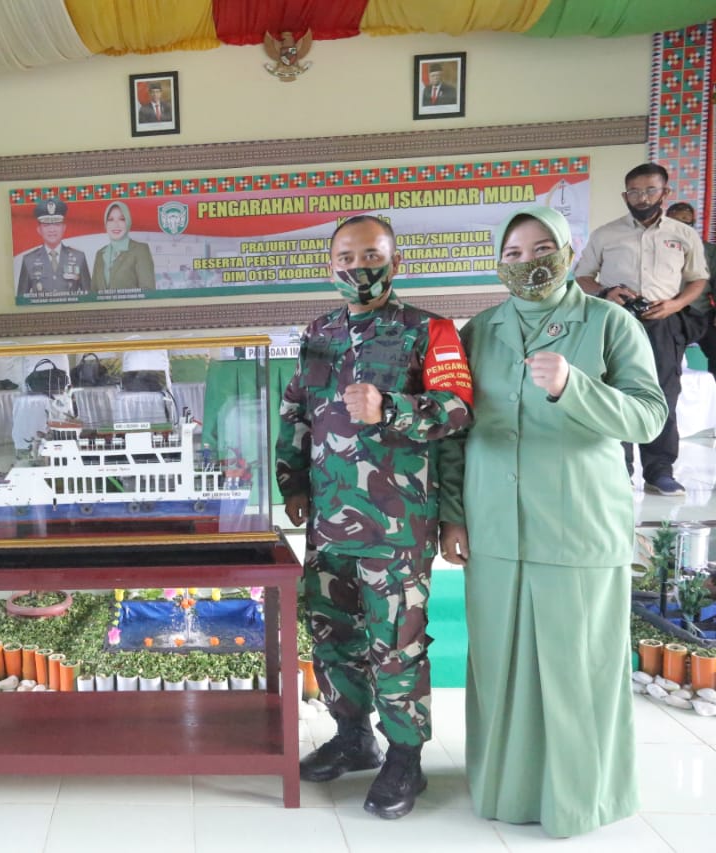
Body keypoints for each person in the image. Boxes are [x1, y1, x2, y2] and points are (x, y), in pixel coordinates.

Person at [439, 205, 666, 837]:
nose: (528, 262)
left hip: (577, 524)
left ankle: (580, 799)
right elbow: (454, 432)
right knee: (501, 667)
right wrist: (453, 515)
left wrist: (575, 387)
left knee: (577, 669)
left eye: (542, 249)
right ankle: (505, 790)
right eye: (513, 253)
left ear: (567, 252)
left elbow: (648, 418)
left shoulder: (609, 323)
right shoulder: (478, 331)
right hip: (494, 525)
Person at [275, 215, 473, 819]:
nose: (358, 267)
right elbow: (295, 410)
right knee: (333, 634)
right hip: (329, 521)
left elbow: (459, 410)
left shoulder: (429, 330)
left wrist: (391, 408)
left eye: (370, 256)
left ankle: (406, 757)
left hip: (398, 526)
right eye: (346, 257)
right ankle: (352, 736)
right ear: (330, 265)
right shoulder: (319, 332)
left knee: (397, 644)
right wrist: (292, 479)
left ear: (394, 262)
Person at [574, 163, 709, 496]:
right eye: (634, 191)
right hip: (616, 323)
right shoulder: (606, 234)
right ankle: (619, 470)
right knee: (615, 393)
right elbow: (582, 277)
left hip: (663, 324)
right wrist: (606, 292)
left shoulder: (683, 235)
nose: (642, 197)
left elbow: (698, 279)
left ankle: (659, 472)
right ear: (625, 196)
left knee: (663, 396)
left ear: (664, 192)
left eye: (650, 190)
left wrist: (675, 304)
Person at [665, 201, 716, 382]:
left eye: (687, 222)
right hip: (667, 313)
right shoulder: (656, 248)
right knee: (666, 360)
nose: (682, 227)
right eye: (677, 222)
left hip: (701, 312)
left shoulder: (708, 250)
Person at [16, 197, 91, 297]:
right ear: (39, 230)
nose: (52, 229)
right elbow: (21, 300)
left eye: (56, 224)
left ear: (64, 228)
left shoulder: (79, 257)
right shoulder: (28, 260)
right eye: (46, 225)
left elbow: (89, 297)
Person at [90, 201, 155, 293]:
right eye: (111, 219)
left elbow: (148, 292)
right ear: (106, 224)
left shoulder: (140, 250)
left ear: (128, 221)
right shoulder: (100, 254)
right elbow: (93, 293)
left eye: (121, 219)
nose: (116, 224)